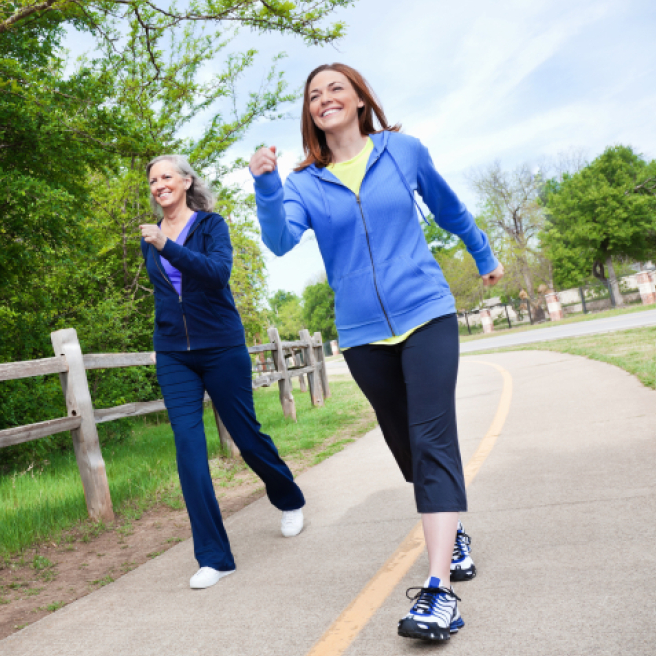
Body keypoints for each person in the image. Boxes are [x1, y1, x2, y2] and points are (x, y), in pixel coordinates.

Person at [249, 63, 503, 641]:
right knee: (404, 442)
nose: (325, 98)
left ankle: (439, 591)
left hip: (426, 312)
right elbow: (281, 241)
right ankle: (453, 528)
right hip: (363, 333)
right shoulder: (305, 184)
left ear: (361, 98)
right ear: (309, 114)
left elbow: (449, 207)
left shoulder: (402, 150)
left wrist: (483, 254)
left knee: (433, 436)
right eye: (314, 95)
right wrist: (266, 185)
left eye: (336, 88)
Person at [139, 154, 306, 590]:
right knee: (189, 450)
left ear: (186, 180)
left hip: (221, 347)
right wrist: (161, 343)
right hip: (175, 354)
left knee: (246, 436)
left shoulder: (212, 226)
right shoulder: (150, 237)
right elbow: (163, 296)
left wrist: (165, 245)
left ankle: (288, 498)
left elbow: (217, 275)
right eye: (153, 180)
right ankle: (214, 556)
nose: (159, 185)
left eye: (166, 176)